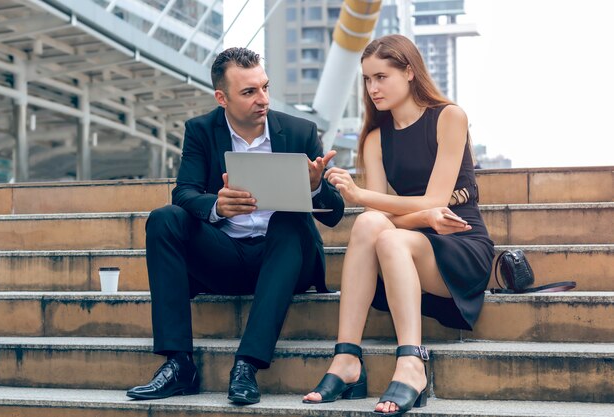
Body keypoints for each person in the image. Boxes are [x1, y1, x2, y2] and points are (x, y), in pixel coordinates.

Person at [126, 47, 344, 404]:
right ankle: (179, 364)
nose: (263, 100)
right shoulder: (200, 130)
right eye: (249, 92)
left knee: (288, 219)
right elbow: (184, 193)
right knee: (164, 218)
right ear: (221, 98)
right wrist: (216, 205)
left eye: (265, 87)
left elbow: (334, 215)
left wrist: (315, 187)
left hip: (287, 261)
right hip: (227, 256)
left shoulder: (299, 131)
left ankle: (247, 365)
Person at [303, 34, 494, 416]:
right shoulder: (375, 139)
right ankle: (346, 358)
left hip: (460, 244)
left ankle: (411, 362)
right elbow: (392, 218)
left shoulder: (449, 117)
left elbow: (437, 203)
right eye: (367, 80)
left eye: (381, 77)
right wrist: (420, 217)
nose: (373, 88)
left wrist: (362, 197)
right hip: (411, 240)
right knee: (374, 227)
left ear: (409, 72)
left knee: (384, 233)